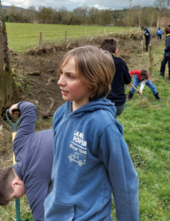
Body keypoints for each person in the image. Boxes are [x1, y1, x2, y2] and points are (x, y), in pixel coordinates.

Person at [44, 45, 139, 221]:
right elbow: (58, 165)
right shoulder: (60, 114)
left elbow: (125, 183)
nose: (60, 81)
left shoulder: (103, 126)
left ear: (93, 83)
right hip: (56, 214)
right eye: (61, 73)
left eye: (70, 76)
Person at [0, 101, 53, 221]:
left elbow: (40, 219)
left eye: (14, 197)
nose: (19, 197)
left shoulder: (33, 182)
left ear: (15, 183)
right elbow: (30, 108)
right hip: (76, 131)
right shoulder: (18, 145)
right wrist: (18, 106)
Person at [100, 38, 131, 117]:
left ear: (100, 50)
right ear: (116, 50)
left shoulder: (96, 63)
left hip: (101, 103)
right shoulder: (120, 62)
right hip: (118, 103)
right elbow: (128, 80)